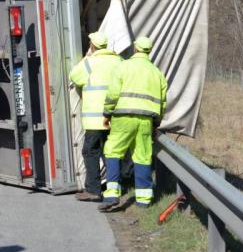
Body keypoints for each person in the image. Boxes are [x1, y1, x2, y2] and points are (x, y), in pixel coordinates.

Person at [99, 36, 168, 213]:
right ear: (149, 51)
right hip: (146, 120)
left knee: (113, 151)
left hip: (123, 117)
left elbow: (113, 93)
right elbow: (162, 102)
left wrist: (107, 113)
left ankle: (112, 193)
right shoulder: (157, 73)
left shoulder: (123, 66)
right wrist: (155, 124)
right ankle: (144, 200)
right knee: (142, 156)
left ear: (136, 49)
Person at [67, 31, 122, 202]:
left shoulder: (90, 63)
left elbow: (74, 77)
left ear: (93, 46)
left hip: (95, 119)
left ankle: (93, 189)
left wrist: (85, 57)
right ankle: (117, 187)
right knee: (111, 153)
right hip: (114, 118)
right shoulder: (118, 61)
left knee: (90, 152)